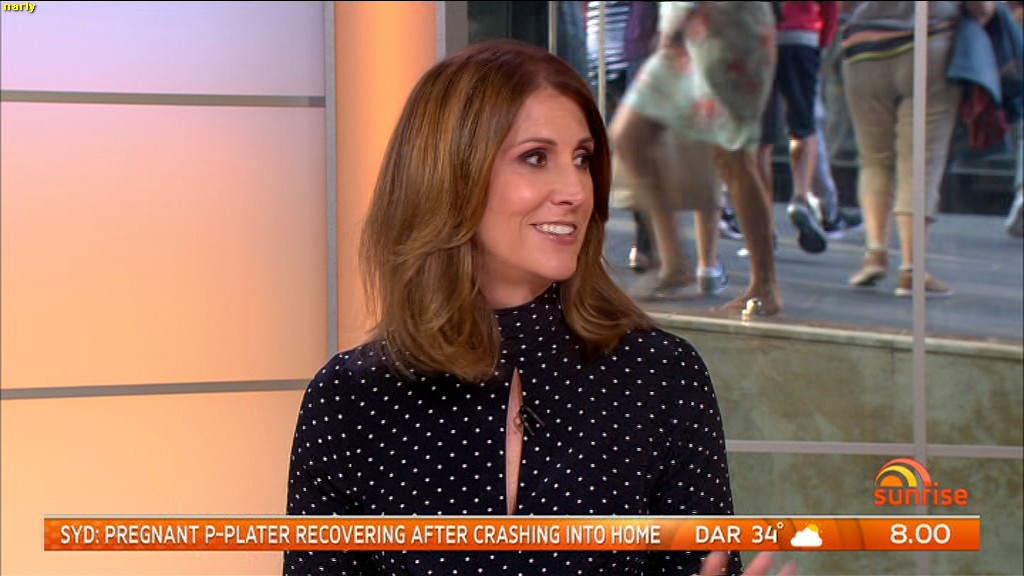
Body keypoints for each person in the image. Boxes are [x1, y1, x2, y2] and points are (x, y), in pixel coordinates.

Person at [284, 39, 794, 576]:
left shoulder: (662, 377)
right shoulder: (350, 400)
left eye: (582, 159)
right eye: (535, 158)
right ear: (450, 176)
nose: (575, 190)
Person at [610, 2, 782, 315]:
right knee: (629, 136)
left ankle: (765, 284)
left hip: (727, 25)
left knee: (733, 156)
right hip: (685, 30)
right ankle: (675, 263)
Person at [842, 1, 996, 296]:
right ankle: (912, 269)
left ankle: (875, 254)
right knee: (921, 163)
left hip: (863, 51)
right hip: (929, 48)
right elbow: (982, 8)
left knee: (873, 160)